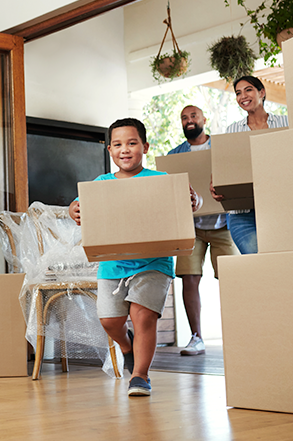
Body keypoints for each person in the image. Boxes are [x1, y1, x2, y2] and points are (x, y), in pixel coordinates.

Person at [69, 118, 201, 397]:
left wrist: (194, 202)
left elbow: (190, 202)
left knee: (143, 317)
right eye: (118, 145)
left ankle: (140, 376)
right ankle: (127, 346)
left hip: (154, 262)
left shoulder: (160, 180)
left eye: (132, 143)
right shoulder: (101, 184)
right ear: (109, 151)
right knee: (110, 321)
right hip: (113, 263)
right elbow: (81, 206)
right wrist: (74, 209)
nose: (125, 150)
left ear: (145, 146)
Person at [167, 105, 238, 356]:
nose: (188, 121)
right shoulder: (174, 155)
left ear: (204, 119)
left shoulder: (220, 147)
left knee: (232, 279)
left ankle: (237, 334)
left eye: (193, 116)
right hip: (192, 228)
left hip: (224, 225)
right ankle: (196, 337)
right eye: (184, 118)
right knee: (189, 278)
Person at [210, 75, 289, 254]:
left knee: (281, 259)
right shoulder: (233, 130)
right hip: (243, 214)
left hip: (279, 207)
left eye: (248, 90)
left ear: (262, 92)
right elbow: (225, 165)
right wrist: (216, 181)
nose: (242, 96)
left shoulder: (285, 123)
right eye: (238, 93)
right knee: (257, 260)